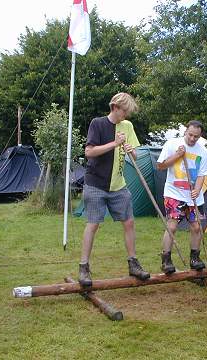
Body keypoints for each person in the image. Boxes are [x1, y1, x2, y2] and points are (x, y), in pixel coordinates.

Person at [78, 92, 150, 286]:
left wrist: (130, 151)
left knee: (129, 223)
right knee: (93, 224)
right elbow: (89, 152)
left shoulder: (128, 126)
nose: (126, 115)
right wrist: (114, 144)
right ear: (115, 107)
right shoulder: (98, 123)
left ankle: (133, 264)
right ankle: (84, 268)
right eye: (124, 111)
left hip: (119, 186)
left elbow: (135, 155)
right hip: (96, 184)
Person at [156, 120, 207, 274]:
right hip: (174, 193)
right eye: (190, 135)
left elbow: (202, 174)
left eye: (196, 136)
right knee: (172, 226)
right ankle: (166, 260)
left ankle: (195, 258)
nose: (193, 139)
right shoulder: (172, 144)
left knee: (196, 227)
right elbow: (160, 166)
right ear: (185, 132)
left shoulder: (203, 152)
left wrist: (197, 189)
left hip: (194, 196)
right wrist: (177, 155)